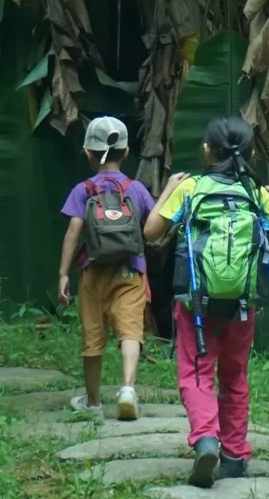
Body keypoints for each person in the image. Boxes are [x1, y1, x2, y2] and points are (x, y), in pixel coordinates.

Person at [143, 116, 269, 488]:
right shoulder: (256, 193)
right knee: (235, 376)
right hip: (243, 304)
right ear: (251, 153)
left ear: (207, 151)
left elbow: (151, 232)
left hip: (195, 305)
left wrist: (167, 190)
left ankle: (206, 440)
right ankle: (234, 454)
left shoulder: (191, 187)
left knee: (196, 373)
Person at [58, 116, 155, 420]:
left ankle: (93, 401)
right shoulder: (136, 188)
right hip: (130, 270)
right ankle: (127, 388)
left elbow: (74, 229)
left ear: (88, 153)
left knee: (93, 334)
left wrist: (63, 273)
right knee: (129, 329)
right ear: (125, 153)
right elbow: (152, 227)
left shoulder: (83, 189)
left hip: (94, 271)